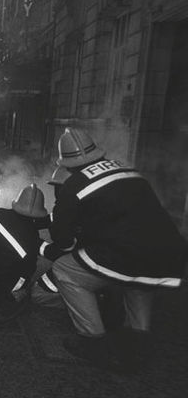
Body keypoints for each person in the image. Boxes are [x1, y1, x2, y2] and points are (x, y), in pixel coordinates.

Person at [46, 127, 187, 369]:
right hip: (170, 253)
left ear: (67, 165)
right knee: (139, 277)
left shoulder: (74, 185)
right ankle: (139, 339)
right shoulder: (129, 170)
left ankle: (92, 341)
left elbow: (63, 241)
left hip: (125, 253)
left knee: (64, 270)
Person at [30, 166, 72, 307]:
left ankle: (87, 298)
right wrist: (26, 221)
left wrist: (35, 243)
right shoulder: (72, 206)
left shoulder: (75, 213)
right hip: (91, 261)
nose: (57, 193)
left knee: (38, 293)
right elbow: (50, 219)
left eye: (59, 189)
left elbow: (61, 253)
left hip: (84, 266)